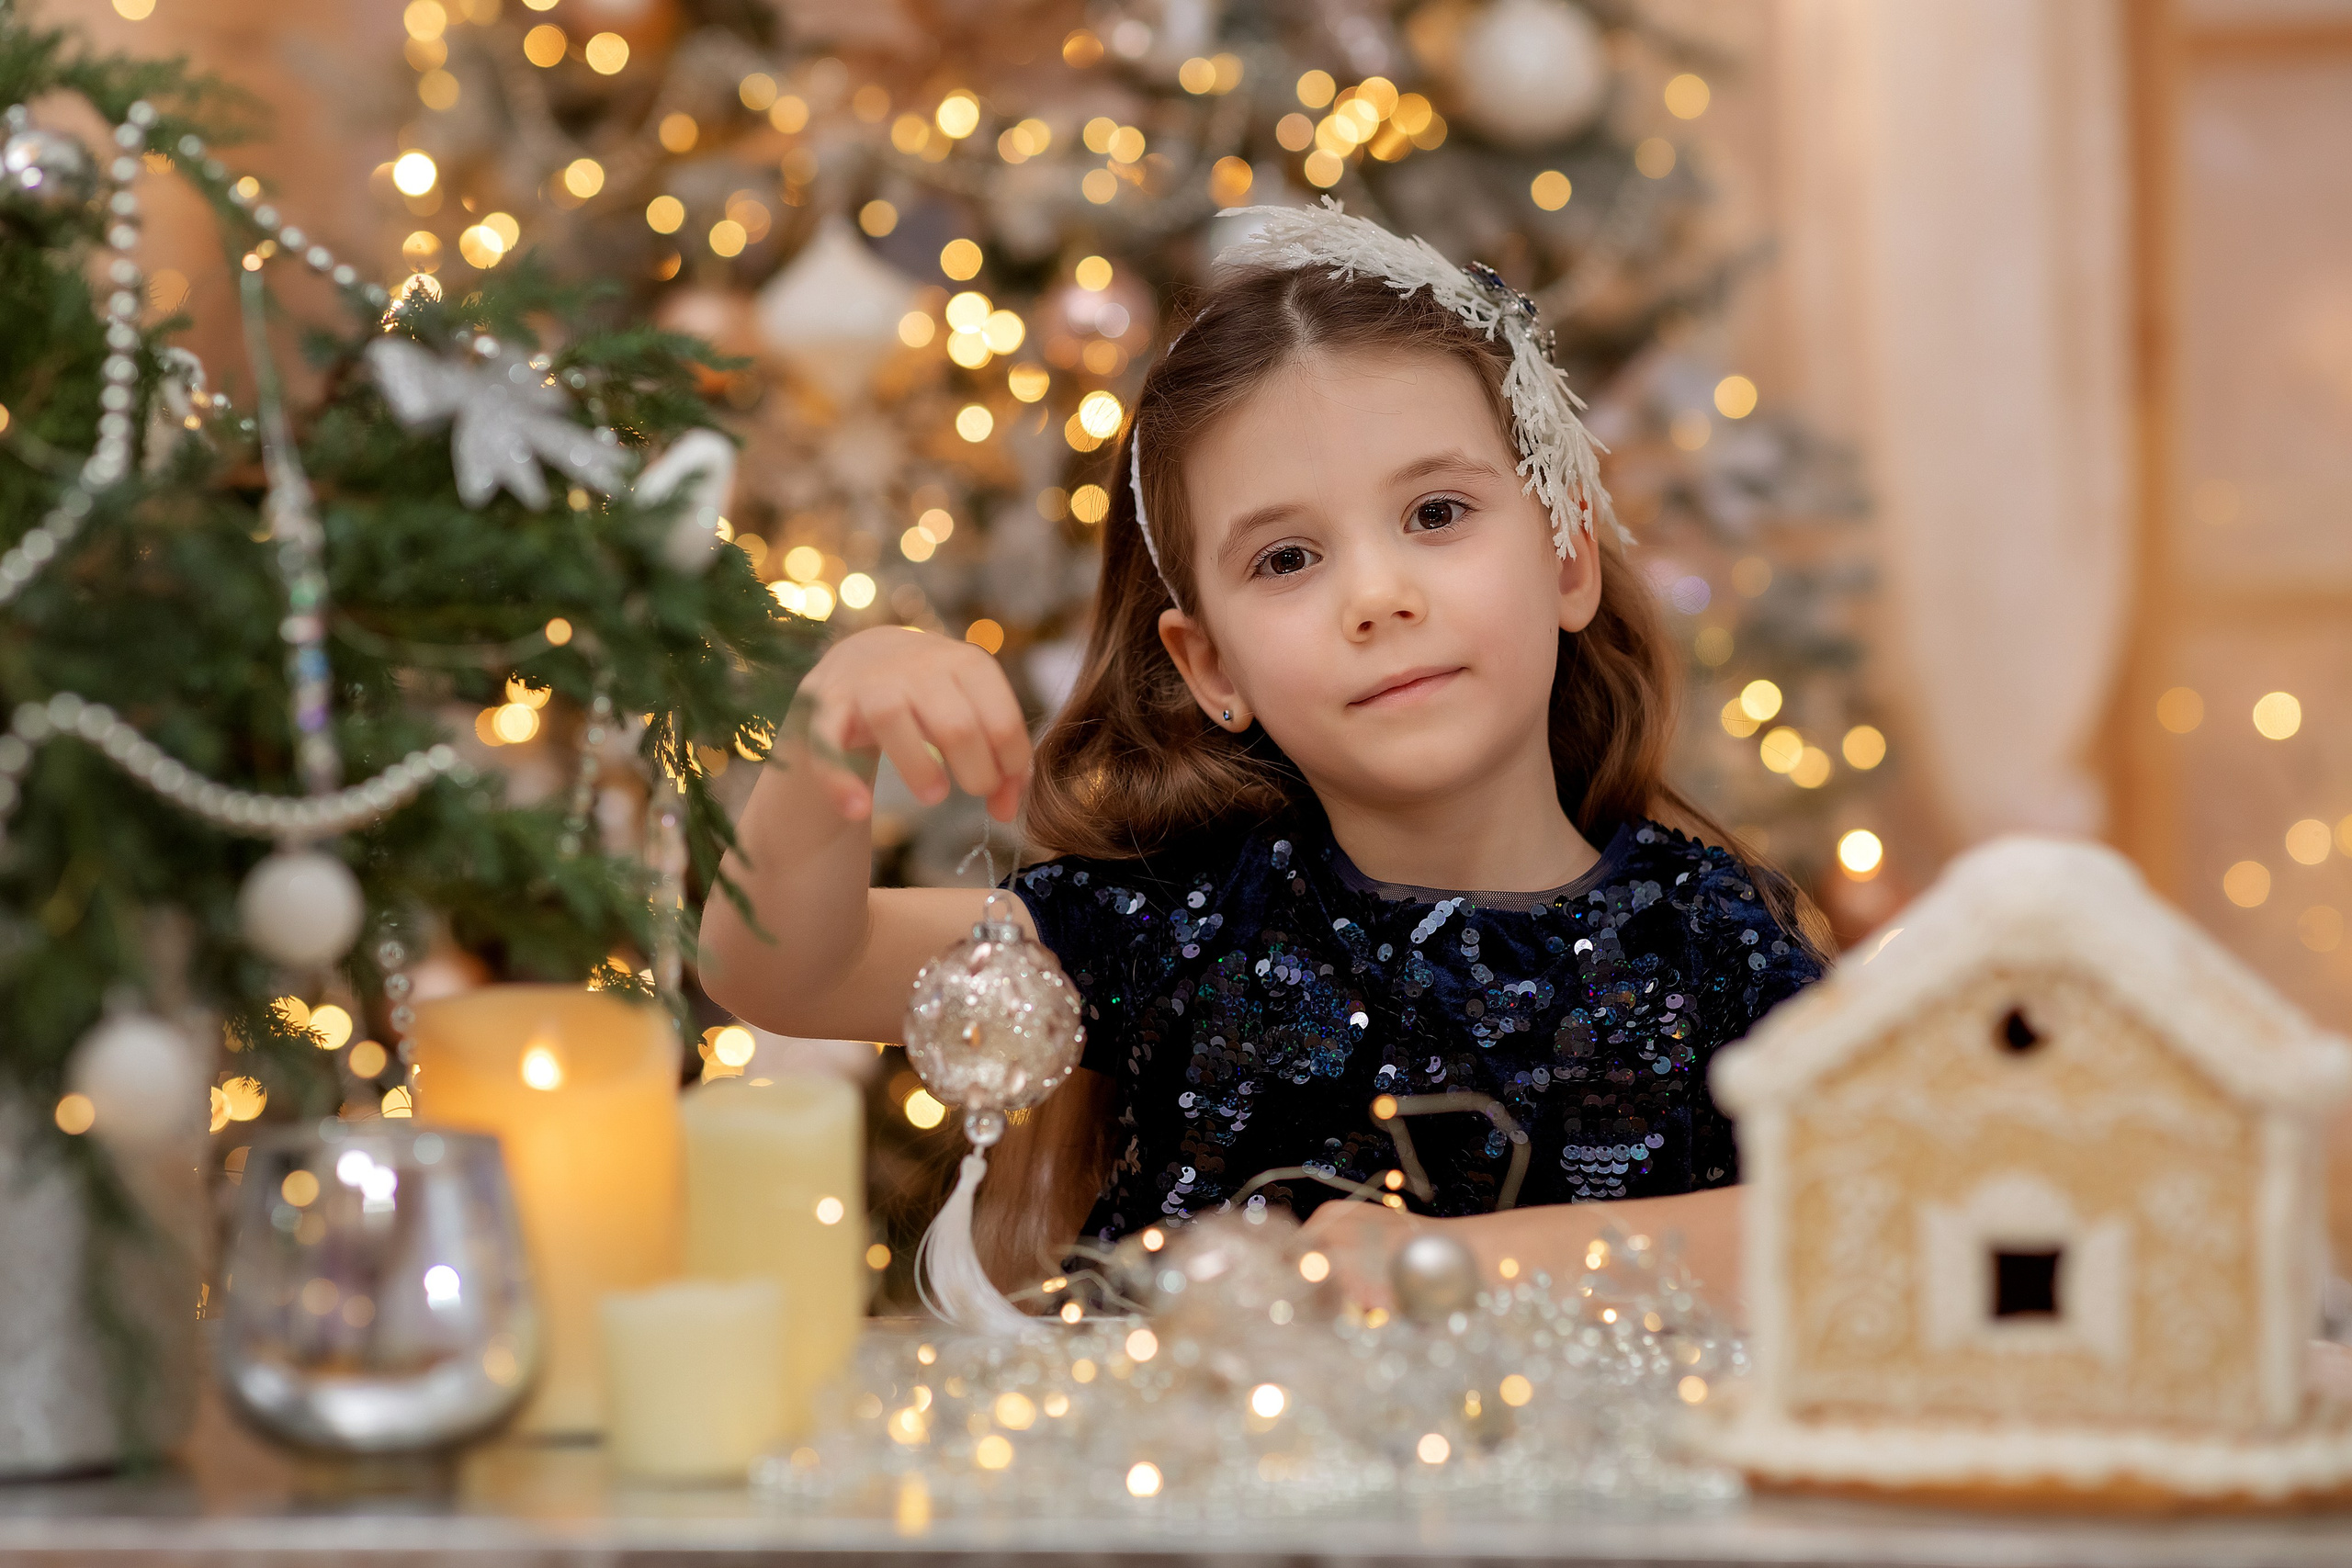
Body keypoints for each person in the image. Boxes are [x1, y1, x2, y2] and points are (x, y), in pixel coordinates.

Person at [702, 204, 1826, 1313]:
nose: (1378, 597)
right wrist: (824, 733)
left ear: (1567, 556)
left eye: (1436, 512)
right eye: (1287, 559)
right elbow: (783, 971)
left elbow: (1867, 1214)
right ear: (1211, 668)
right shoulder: (1171, 926)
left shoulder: (1715, 941)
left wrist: (1456, 1271)